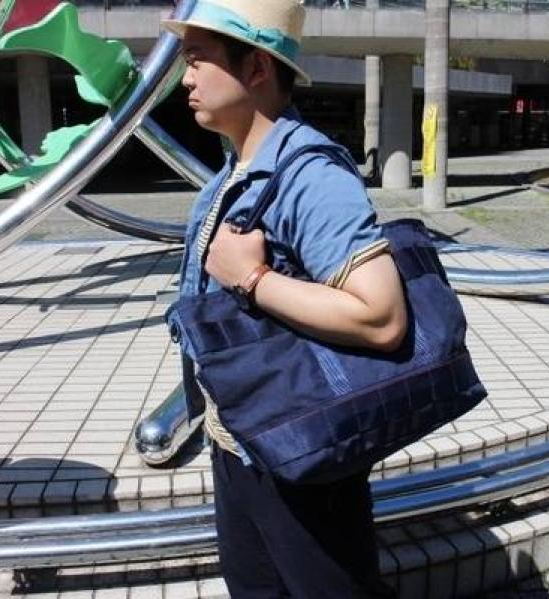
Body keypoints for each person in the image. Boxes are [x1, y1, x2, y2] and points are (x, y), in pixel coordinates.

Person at [162, 1, 407, 596]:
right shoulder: (235, 170)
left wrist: (253, 279)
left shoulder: (311, 175)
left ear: (256, 69)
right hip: (240, 444)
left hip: (303, 454)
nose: (186, 79)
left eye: (197, 60)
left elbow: (382, 317)